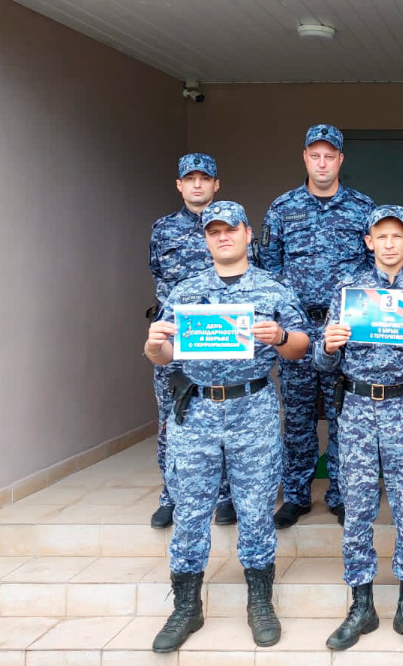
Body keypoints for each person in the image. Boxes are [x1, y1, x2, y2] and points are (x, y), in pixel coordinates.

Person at [142, 201, 311, 653]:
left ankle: (259, 601)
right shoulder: (184, 292)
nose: (223, 237)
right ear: (206, 238)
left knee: (256, 509)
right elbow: (164, 356)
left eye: (230, 229)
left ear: (247, 234)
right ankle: (186, 606)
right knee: (191, 511)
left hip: (251, 409)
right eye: (214, 231)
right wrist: (154, 346)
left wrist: (279, 337)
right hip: (195, 412)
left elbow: (301, 347)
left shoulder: (273, 290)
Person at [315, 205, 403, 653]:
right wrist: (330, 348)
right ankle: (361, 603)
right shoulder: (348, 291)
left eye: (398, 236)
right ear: (369, 241)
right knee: (357, 509)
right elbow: (322, 359)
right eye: (381, 236)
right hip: (356, 409)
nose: (389, 244)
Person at [257, 124, 376, 528]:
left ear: (341, 160)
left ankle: (341, 493)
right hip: (298, 328)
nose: (322, 163)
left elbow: (374, 268)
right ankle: (296, 494)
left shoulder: (363, 208)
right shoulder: (282, 208)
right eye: (315, 155)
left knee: (345, 412)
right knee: (299, 413)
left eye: (330, 156)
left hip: (345, 329)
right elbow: (268, 268)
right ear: (305, 158)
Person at [146, 153, 234, 529]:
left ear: (217, 184)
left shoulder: (231, 226)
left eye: (205, 178)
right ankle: (172, 495)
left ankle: (225, 496)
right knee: (172, 419)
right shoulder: (163, 230)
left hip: (223, 342)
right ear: (179, 185)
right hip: (178, 343)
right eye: (190, 178)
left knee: (228, 417)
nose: (198, 184)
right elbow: (158, 278)